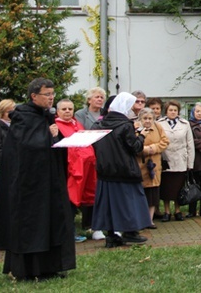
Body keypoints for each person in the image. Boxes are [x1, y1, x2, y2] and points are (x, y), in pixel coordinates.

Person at [0, 78, 76, 280]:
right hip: (28, 187)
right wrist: (49, 136)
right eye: (47, 94)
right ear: (34, 96)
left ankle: (50, 268)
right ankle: (28, 270)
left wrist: (57, 138)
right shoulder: (23, 118)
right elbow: (27, 148)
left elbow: (51, 147)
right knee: (31, 227)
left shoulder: (45, 117)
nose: (51, 98)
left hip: (48, 183)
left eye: (52, 94)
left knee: (52, 222)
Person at [90, 92, 151, 248]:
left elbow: (94, 145)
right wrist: (142, 136)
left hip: (105, 171)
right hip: (125, 171)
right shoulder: (125, 125)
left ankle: (111, 236)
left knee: (108, 205)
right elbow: (135, 147)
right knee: (129, 203)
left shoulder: (98, 124)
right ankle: (130, 232)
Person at [55, 98, 97, 242]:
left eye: (70, 109)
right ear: (57, 111)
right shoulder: (56, 126)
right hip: (68, 170)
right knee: (69, 201)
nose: (67, 112)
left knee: (80, 199)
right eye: (64, 109)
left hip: (85, 167)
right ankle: (68, 234)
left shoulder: (77, 124)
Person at [158, 100, 195, 222]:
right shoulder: (159, 124)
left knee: (179, 187)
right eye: (170, 110)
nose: (173, 112)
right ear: (166, 111)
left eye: (175, 110)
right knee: (166, 187)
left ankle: (178, 210)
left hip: (180, 160)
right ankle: (167, 211)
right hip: (166, 160)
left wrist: (190, 163)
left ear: (178, 112)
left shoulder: (185, 124)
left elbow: (190, 144)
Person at [135, 107, 169, 228]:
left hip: (154, 165)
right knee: (141, 193)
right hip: (140, 165)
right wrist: (143, 150)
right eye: (145, 118)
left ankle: (150, 219)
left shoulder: (158, 127)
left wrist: (152, 148)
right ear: (140, 119)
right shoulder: (135, 128)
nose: (148, 121)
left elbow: (165, 141)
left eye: (150, 118)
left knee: (152, 193)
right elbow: (132, 145)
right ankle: (140, 219)